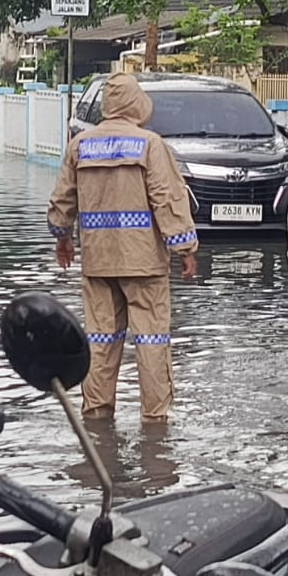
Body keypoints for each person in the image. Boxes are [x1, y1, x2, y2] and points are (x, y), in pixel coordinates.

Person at [47, 73, 198, 421]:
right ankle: (155, 420)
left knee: (100, 341)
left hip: (98, 261)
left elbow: (62, 200)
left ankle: (97, 416)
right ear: (136, 104)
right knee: (151, 342)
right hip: (143, 262)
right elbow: (167, 199)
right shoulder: (149, 144)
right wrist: (185, 248)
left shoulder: (81, 145)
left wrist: (63, 237)